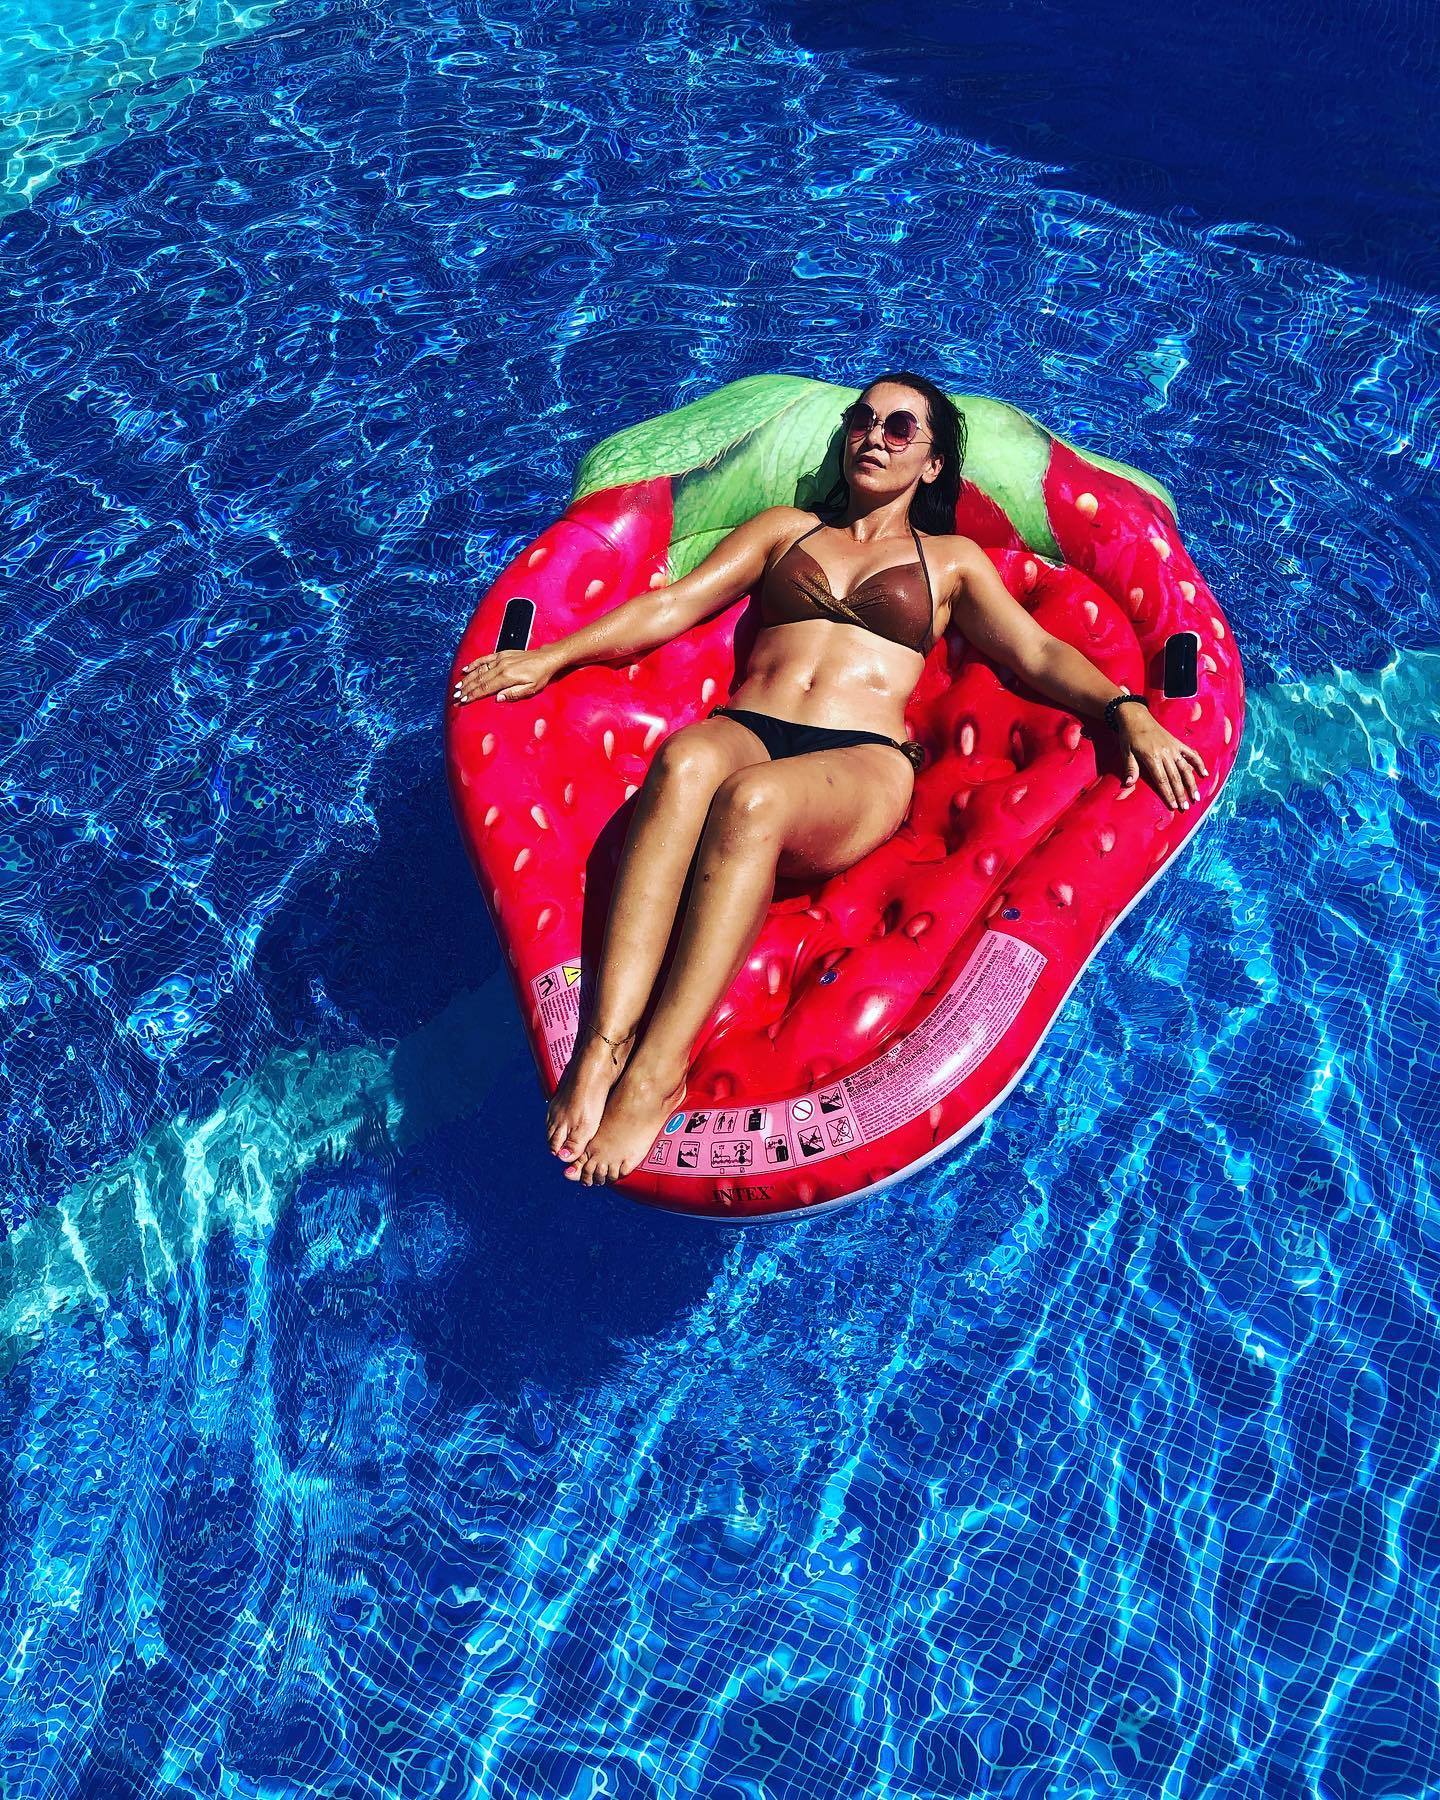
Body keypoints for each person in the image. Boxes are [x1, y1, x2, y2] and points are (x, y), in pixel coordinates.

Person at [450, 372, 1208, 1187]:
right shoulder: (785, 530)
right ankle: (604, 1044)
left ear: (932, 464)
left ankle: (656, 1071)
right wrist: (551, 657)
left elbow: (1036, 652)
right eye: (863, 420)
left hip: (860, 759)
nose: (874, 437)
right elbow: (675, 606)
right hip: (748, 727)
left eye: (899, 428)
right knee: (686, 759)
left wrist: (1125, 709)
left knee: (754, 801)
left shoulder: (950, 563)